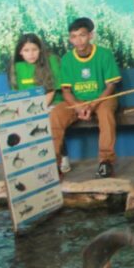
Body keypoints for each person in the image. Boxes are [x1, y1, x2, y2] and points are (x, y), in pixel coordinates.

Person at [51, 17, 122, 178]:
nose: (78, 40)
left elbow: (111, 86)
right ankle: (53, 164)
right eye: (74, 36)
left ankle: (106, 162)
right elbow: (66, 90)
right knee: (55, 115)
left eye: (82, 35)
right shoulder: (67, 59)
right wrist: (77, 106)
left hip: (102, 98)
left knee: (106, 115)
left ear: (90, 35)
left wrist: (93, 105)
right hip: (77, 101)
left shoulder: (104, 54)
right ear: (70, 39)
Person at [7, 33, 70, 172]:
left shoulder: (51, 60)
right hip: (28, 106)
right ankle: (32, 160)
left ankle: (62, 157)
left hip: (53, 102)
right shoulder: (16, 67)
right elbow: (17, 93)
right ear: (20, 52)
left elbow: (51, 90)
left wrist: (39, 110)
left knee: (50, 118)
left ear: (40, 49)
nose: (31, 54)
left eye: (34, 49)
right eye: (26, 50)